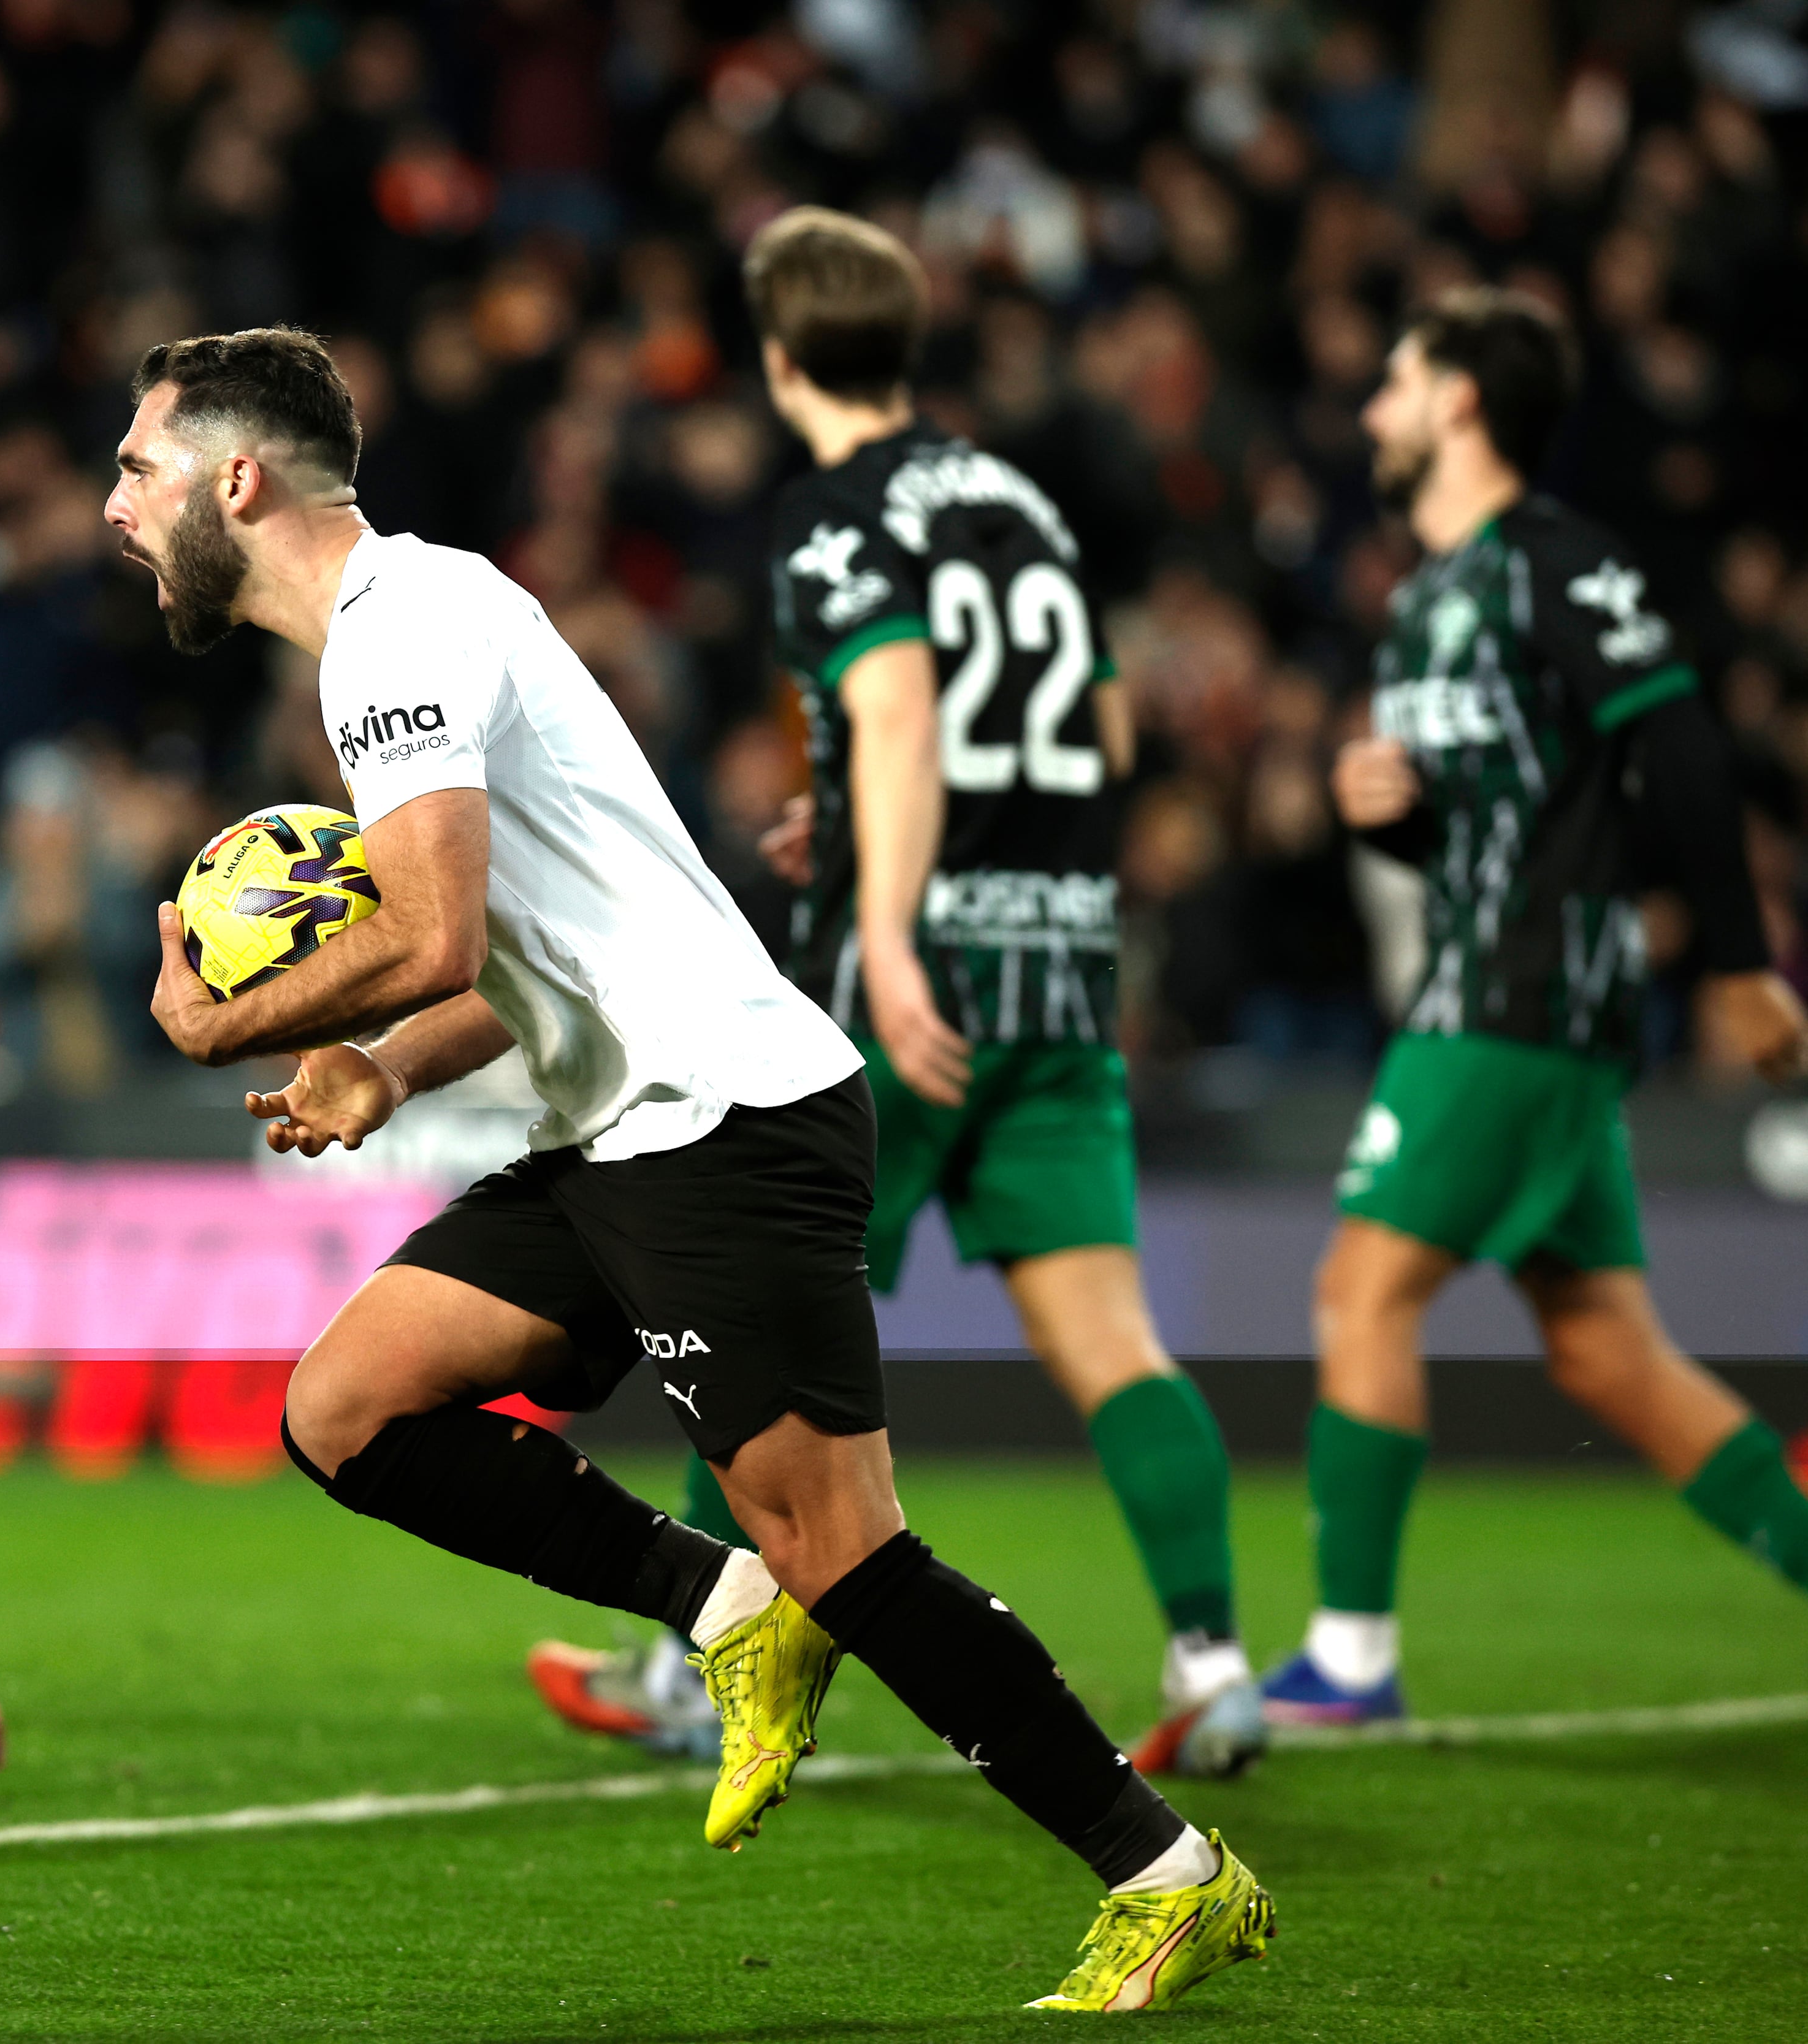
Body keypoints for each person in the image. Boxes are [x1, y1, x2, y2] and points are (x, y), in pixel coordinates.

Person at [111, 327, 1273, 2014]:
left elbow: (430, 927)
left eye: (138, 467)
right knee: (346, 1407)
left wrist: (230, 1024)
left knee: (847, 1547)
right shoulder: (407, 625)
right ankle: (721, 1602)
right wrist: (378, 1058)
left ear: (238, 477)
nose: (112, 504)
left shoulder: (399, 639)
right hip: (614, 1128)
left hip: (725, 1126)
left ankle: (1169, 1870)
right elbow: (514, 965)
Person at [529, 209, 1261, 1783]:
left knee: (742, 1307)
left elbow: (901, 707)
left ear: (779, 353)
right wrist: (870, 809)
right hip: (1062, 974)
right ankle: (1216, 1659)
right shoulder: (1023, 503)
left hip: (907, 985)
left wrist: (893, 900)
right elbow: (1108, 739)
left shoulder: (836, 517)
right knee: (1109, 1337)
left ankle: (691, 1665)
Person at [1264, 288, 1808, 1723]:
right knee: (1605, 1347)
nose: (1372, 410)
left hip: (1513, 993)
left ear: (1456, 400)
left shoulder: (1555, 564)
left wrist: (1742, 963)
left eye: (1394, 381)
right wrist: (1389, 813)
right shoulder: (1431, 599)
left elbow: (1678, 744)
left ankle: (1351, 1657)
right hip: (1497, 984)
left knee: (1357, 1290)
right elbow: (1487, 813)